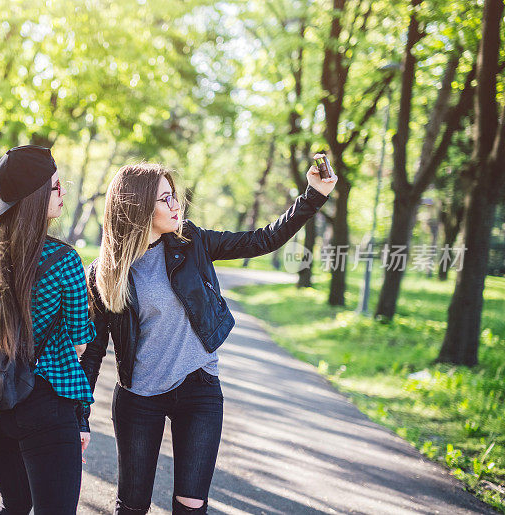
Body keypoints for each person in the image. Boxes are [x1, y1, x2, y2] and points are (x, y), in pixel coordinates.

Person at [80, 159, 337, 514]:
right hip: (139, 398)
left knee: (191, 505)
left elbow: (262, 239)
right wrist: (80, 418)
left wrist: (313, 196)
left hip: (198, 388)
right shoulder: (105, 273)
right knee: (133, 507)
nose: (176, 206)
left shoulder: (192, 241)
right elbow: (93, 353)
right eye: (164, 199)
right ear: (138, 208)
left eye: (174, 196)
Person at [0, 145, 96, 515]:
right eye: (56, 186)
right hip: (42, 404)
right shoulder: (63, 259)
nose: (63, 192)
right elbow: (80, 340)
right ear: (36, 196)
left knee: (15, 504)